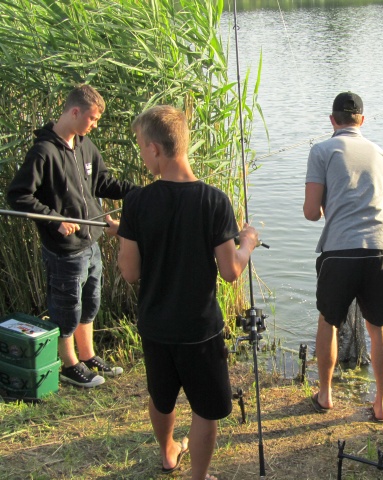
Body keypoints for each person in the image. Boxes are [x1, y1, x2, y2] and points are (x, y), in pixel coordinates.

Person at [117, 105, 259, 479]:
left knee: (161, 398)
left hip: (155, 326)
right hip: (199, 330)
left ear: (155, 149)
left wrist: (126, 234)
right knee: (206, 409)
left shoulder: (136, 202)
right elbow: (231, 271)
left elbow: (129, 272)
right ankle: (198, 476)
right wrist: (247, 242)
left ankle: (168, 453)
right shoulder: (214, 201)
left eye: (141, 147)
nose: (142, 154)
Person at [7, 84, 137, 388]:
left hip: (91, 243)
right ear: (75, 111)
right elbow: (18, 195)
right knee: (67, 307)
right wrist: (55, 220)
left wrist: (139, 193)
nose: (94, 125)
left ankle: (88, 356)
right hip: (64, 250)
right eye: (92, 119)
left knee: (90, 303)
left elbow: (103, 183)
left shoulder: (85, 145)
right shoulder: (43, 151)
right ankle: (69, 365)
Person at [303, 91, 383, 422]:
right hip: (381, 249)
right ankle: (381, 404)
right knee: (379, 327)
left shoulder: (321, 150)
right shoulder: (382, 155)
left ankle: (326, 395)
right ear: (362, 120)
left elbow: (311, 212)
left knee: (328, 322)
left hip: (339, 252)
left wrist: (328, 206)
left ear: (332, 120)